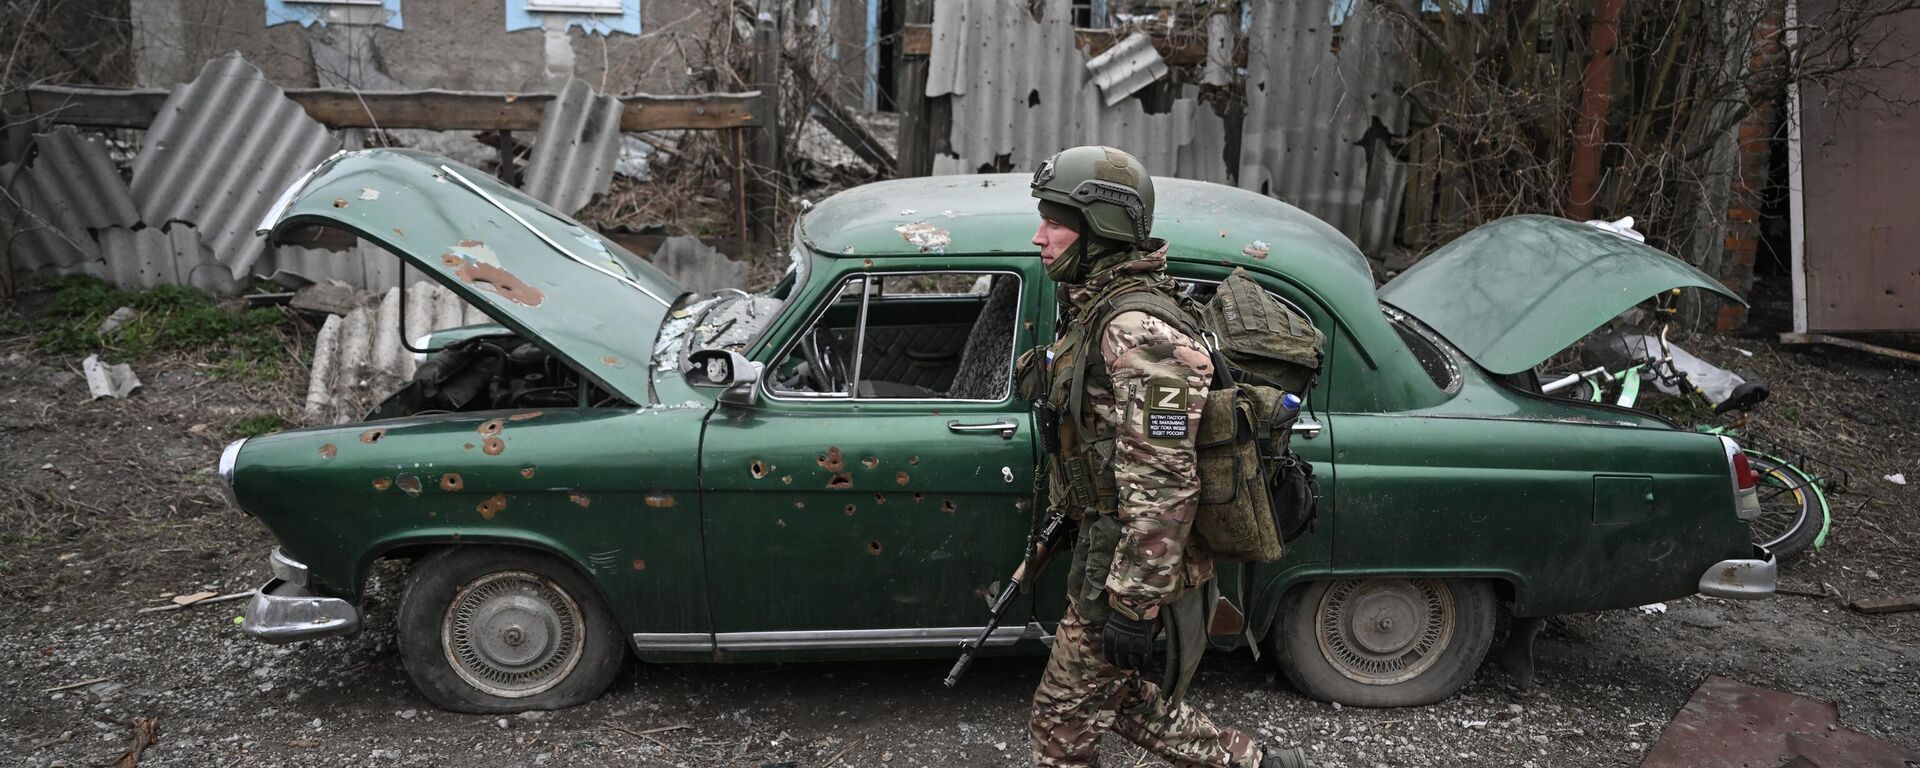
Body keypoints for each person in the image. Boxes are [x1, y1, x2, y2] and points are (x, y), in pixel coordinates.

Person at [1019, 145, 1310, 768]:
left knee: (1058, 726)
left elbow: (1164, 481)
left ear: (1102, 230)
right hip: (1109, 546)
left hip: (1128, 562)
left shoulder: (1137, 332)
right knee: (1115, 695)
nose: (1040, 236)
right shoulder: (1098, 307)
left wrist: (1133, 603)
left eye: (1055, 221)